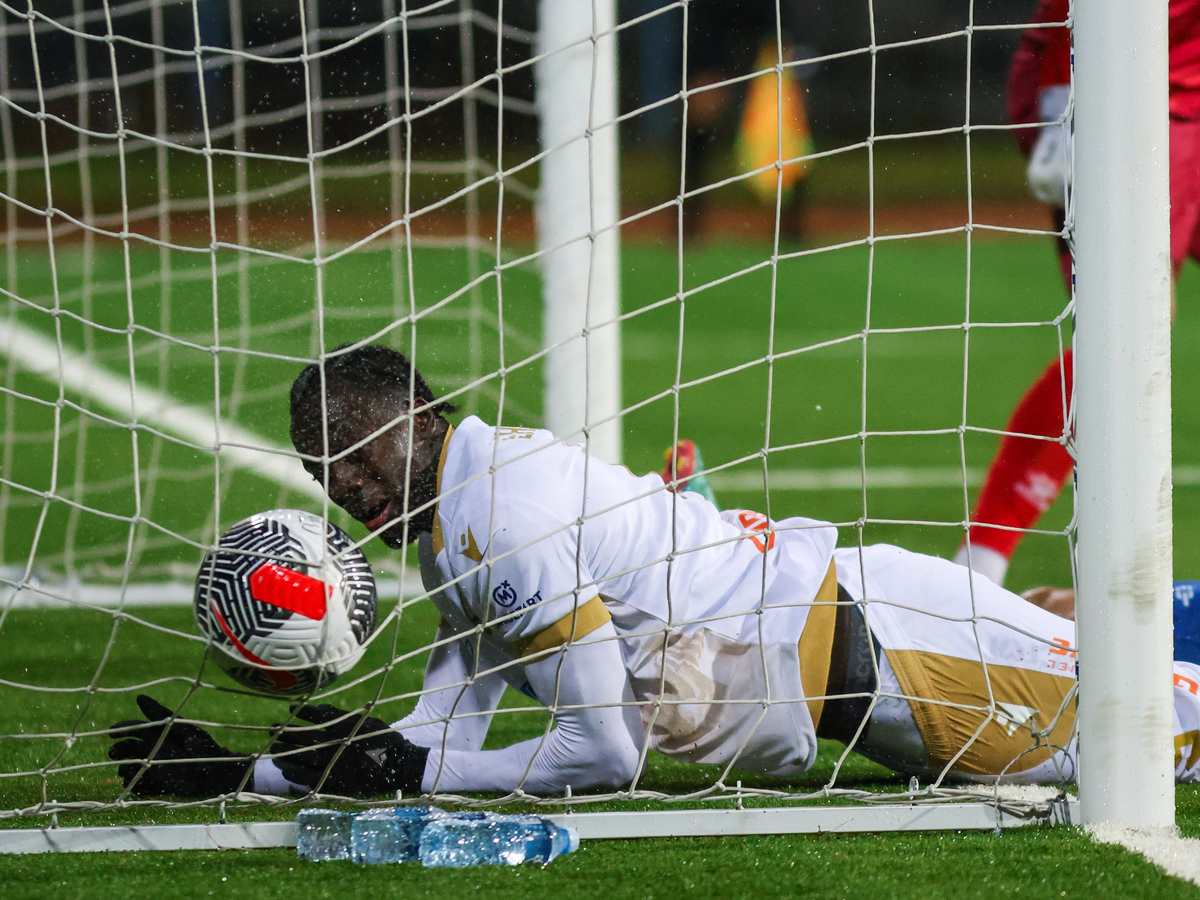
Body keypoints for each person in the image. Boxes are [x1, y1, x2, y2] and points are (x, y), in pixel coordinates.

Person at [109, 345, 1200, 799]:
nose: (344, 485)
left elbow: (603, 753)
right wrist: (243, 775)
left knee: (1165, 736)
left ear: (423, 420)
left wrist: (405, 770)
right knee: (1113, 649)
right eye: (323, 469)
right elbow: (439, 730)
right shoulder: (458, 521)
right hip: (880, 654)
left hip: (907, 659)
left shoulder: (499, 517)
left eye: (357, 452)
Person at [956, 0, 1200, 586]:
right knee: (1127, 330)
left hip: (1169, 96)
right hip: (1127, 95)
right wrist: (1063, 112)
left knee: (1128, 333)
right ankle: (978, 568)